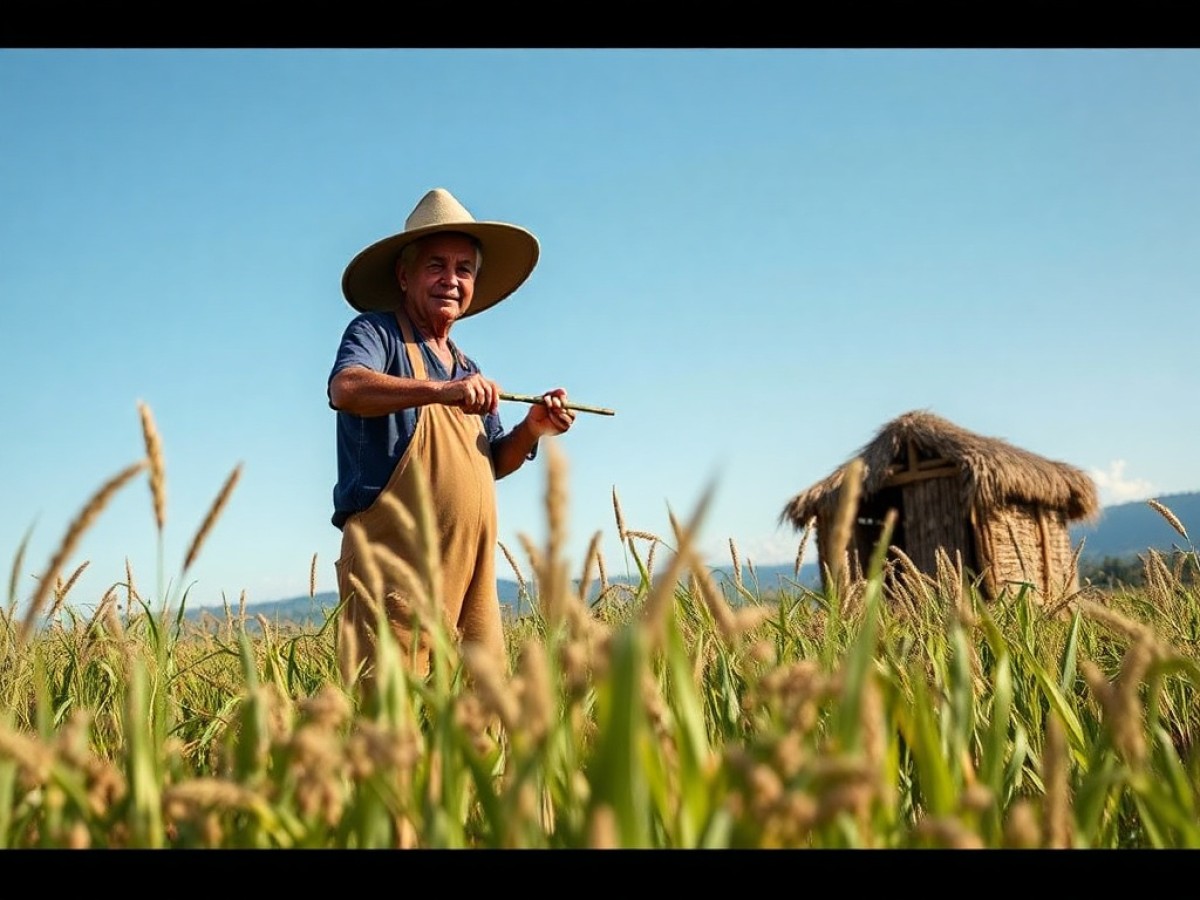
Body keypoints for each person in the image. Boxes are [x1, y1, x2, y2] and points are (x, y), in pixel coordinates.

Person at [328, 187, 575, 685]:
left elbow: (491, 462)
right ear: (404, 275)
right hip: (393, 563)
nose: (451, 279)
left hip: (473, 570)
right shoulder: (377, 335)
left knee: (482, 714)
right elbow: (346, 386)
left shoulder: (468, 367)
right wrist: (442, 391)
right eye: (436, 265)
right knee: (391, 723)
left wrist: (532, 429)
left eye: (464, 268)